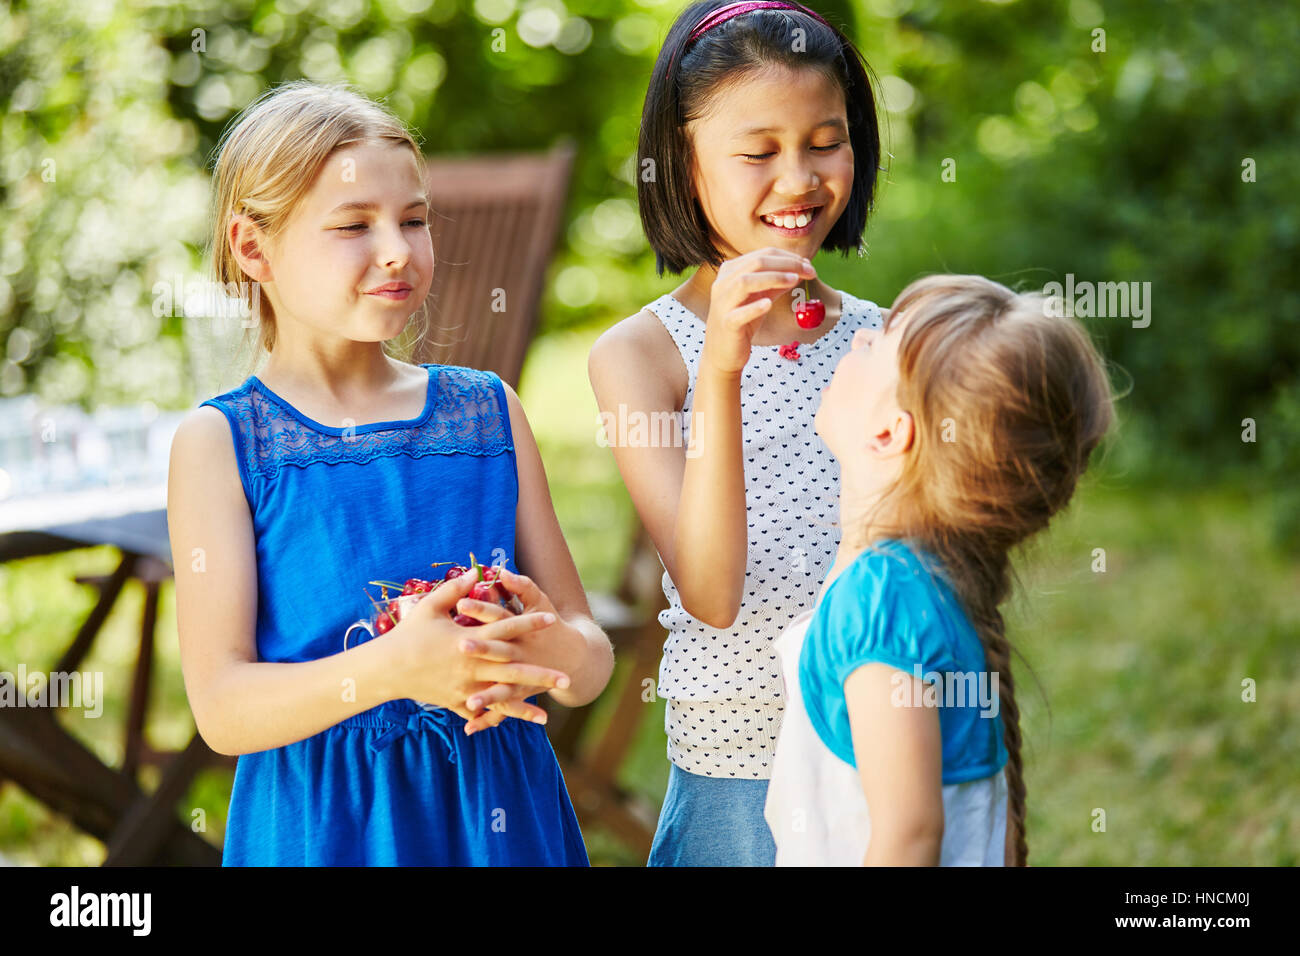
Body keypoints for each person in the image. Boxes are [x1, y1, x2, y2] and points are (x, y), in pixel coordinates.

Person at [168, 81, 613, 865]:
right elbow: (223, 708)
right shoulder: (225, 443)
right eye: (353, 225)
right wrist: (393, 667)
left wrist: (553, 654)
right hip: (327, 831)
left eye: (414, 220)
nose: (398, 250)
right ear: (252, 247)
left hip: (497, 820)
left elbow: (586, 649)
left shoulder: (487, 414)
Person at [588, 0, 885, 865]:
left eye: (825, 142)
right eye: (757, 153)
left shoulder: (883, 340)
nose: (797, 179)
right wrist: (722, 367)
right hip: (739, 771)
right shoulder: (644, 357)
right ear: (681, 169)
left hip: (877, 754)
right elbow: (711, 593)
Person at [764, 274, 1114, 865]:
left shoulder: (880, 600)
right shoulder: (924, 579)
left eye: (876, 342)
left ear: (889, 433)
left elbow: (910, 835)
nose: (855, 342)